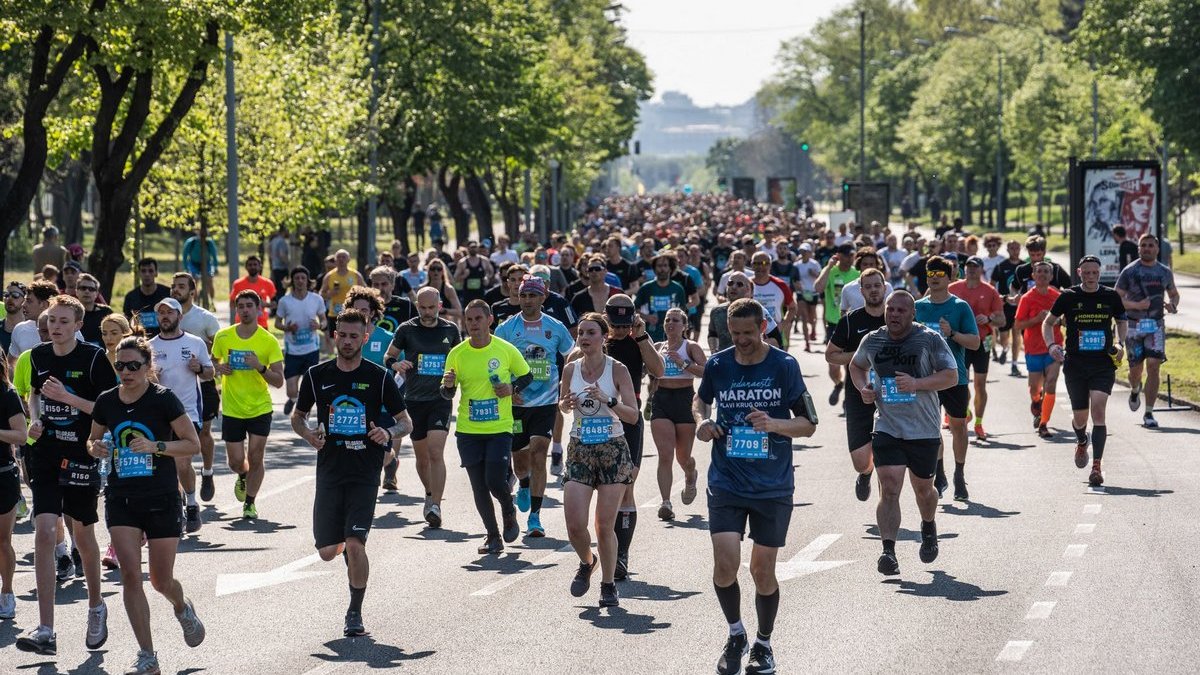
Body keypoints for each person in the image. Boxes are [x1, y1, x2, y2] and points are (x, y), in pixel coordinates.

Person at [693, 298, 817, 675]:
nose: (742, 340)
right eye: (735, 334)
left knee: (762, 572)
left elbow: (809, 423)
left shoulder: (784, 365)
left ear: (763, 327)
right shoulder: (719, 364)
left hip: (773, 485)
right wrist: (702, 421)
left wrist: (775, 424)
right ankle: (735, 634)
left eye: (749, 333)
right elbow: (700, 401)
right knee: (725, 566)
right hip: (726, 479)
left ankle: (763, 643)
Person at [291, 308, 412, 637]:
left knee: (356, 543)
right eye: (342, 335)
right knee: (329, 552)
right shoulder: (316, 375)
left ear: (365, 337)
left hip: (365, 469)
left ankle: (354, 613)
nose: (347, 341)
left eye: (353, 336)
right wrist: (308, 435)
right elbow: (297, 416)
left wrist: (387, 434)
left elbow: (405, 422)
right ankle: (345, 542)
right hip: (330, 468)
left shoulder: (379, 376)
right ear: (334, 336)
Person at [88, 335, 205, 673]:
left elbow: (191, 444)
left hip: (162, 497)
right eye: (120, 365)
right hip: (121, 497)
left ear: (148, 366)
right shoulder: (107, 401)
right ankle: (147, 655)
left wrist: (156, 447)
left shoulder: (163, 400)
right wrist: (96, 448)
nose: (126, 371)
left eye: (133, 366)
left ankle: (182, 607)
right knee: (129, 576)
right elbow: (92, 439)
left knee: (160, 580)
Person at [17, 295, 118, 656]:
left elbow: (108, 409)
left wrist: (69, 399)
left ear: (78, 325)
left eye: (63, 321)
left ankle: (96, 605)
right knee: (44, 533)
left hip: (81, 454)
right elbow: (33, 395)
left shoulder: (92, 359)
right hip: (45, 454)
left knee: (83, 536)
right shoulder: (39, 357)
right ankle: (46, 628)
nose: (55, 327)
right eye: (51, 321)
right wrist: (35, 419)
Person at [849, 290, 957, 577]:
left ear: (912, 314)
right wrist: (863, 388)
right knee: (890, 486)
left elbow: (951, 375)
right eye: (890, 309)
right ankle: (888, 551)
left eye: (900, 310)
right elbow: (856, 365)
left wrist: (917, 383)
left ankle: (928, 526)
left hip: (923, 428)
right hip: (888, 426)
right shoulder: (873, 340)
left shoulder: (928, 339)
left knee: (924, 490)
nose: (894, 314)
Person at [558, 312, 639, 607]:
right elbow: (563, 405)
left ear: (604, 337)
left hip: (612, 449)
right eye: (581, 333)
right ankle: (586, 561)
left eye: (591, 332)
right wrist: (565, 404)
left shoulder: (617, 370)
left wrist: (610, 400)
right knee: (575, 525)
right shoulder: (571, 369)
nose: (584, 338)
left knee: (605, 525)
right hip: (580, 447)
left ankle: (608, 585)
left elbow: (633, 415)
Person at [441, 301, 532, 554]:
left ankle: (508, 508)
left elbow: (526, 375)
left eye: (478, 319)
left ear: (489, 320)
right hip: (469, 430)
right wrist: (448, 385)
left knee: (494, 479)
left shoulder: (504, 349)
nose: (473, 324)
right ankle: (493, 536)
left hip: (499, 427)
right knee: (479, 486)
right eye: (469, 320)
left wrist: (511, 389)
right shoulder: (457, 353)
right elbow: (447, 393)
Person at [494, 276, 574, 537]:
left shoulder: (556, 327)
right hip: (516, 403)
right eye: (523, 295)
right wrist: (507, 389)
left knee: (540, 453)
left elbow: (571, 357)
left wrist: (567, 386)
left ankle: (536, 518)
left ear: (543, 297)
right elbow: (495, 362)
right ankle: (524, 484)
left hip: (545, 402)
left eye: (532, 295)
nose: (527, 300)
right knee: (520, 461)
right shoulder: (506, 328)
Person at [1043, 256, 1127, 486]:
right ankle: (1082, 440)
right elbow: (1048, 322)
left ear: (1100, 273)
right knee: (1080, 418)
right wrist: (1051, 345)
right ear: (1079, 273)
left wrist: (1120, 343)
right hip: (1076, 365)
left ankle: (1097, 467)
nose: (1091, 277)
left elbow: (1121, 321)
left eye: (1095, 273)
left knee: (1098, 412)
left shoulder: (1110, 296)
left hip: (1103, 364)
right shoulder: (1069, 296)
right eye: (1087, 273)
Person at [386, 288, 461, 526]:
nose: (427, 312)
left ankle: (436, 506)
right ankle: (430, 494)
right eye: (422, 308)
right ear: (417, 305)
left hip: (440, 399)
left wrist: (455, 378)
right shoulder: (406, 329)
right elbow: (388, 356)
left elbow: (461, 359)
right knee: (422, 458)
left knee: (436, 452)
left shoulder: (450, 329)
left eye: (431, 307)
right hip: (414, 400)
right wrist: (396, 364)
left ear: (439, 305)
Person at [211, 290, 284, 519]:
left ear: (258, 309)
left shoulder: (268, 340)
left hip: (259, 407)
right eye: (240, 306)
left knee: (255, 456)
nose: (244, 310)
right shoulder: (223, 337)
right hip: (232, 407)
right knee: (235, 461)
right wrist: (217, 369)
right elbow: (213, 362)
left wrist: (260, 367)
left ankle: (250, 504)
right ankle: (242, 475)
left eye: (249, 306)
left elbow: (279, 381)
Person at [915, 256, 980, 501]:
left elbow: (974, 342)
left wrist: (952, 333)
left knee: (959, 427)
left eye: (939, 274)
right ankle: (940, 472)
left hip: (955, 377)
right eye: (930, 273)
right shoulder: (918, 307)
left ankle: (959, 474)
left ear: (950, 278)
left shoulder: (960, 306)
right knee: (932, 428)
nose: (933, 278)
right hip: (926, 377)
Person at [149, 297, 214, 535]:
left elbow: (210, 373)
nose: (164, 316)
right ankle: (179, 505)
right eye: (161, 313)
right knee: (167, 465)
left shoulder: (195, 343)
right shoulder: (150, 346)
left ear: (180, 316)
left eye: (169, 312)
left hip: (188, 412)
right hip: (159, 414)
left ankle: (191, 502)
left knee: (182, 462)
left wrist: (200, 369)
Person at [825, 269, 887, 501]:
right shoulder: (850, 322)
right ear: (861, 291)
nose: (873, 290)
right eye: (868, 287)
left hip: (891, 395)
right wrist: (861, 356)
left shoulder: (897, 317)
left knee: (886, 456)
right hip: (859, 392)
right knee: (861, 461)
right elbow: (831, 355)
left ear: (885, 287)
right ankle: (866, 473)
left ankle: (886, 505)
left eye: (877, 285)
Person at [1116, 234, 1180, 429]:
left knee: (1154, 365)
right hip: (1134, 325)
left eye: (1150, 245)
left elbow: (1174, 293)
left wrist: (1173, 305)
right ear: (1138, 249)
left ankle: (1149, 413)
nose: (1146, 248)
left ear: (1157, 249)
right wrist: (1137, 304)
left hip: (1156, 326)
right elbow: (1117, 298)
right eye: (1143, 245)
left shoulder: (1164, 272)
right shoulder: (1130, 271)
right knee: (1136, 371)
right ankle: (1135, 389)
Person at [650, 308, 707, 521]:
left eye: (675, 320)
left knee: (683, 457)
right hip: (662, 400)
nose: (670, 323)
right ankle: (666, 502)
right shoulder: (657, 347)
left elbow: (707, 371)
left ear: (684, 326)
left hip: (684, 400)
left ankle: (690, 475)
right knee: (665, 454)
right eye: (667, 320)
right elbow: (649, 372)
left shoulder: (690, 347)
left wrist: (683, 363)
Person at [172, 272, 221, 502]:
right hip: (175, 386)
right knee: (178, 439)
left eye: (181, 286)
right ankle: (183, 487)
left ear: (192, 291)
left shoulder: (205, 318)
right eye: (174, 286)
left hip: (203, 384)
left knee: (203, 433)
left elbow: (218, 352)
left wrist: (197, 351)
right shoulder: (166, 315)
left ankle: (208, 472)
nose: (176, 290)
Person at [948, 256, 1004, 440]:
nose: (971, 270)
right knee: (961, 382)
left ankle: (979, 423)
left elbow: (1002, 320)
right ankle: (965, 410)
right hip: (960, 342)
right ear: (965, 269)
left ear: (982, 270)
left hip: (982, 341)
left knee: (980, 384)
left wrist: (988, 319)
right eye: (969, 267)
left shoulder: (990, 291)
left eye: (975, 267)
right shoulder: (954, 288)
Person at [1014, 261, 1063, 438]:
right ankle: (1037, 401)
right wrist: (1036, 319)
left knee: (1051, 382)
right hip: (1033, 348)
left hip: (1054, 346)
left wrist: (1058, 321)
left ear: (1051, 276)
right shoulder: (1027, 298)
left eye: (1046, 272)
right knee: (1034, 388)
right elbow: (1018, 324)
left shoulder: (1057, 296)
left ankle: (1044, 422)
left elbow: (1065, 320)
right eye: (1039, 272)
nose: (1042, 275)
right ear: (1033, 276)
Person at [276, 266, 326, 416]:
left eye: (303, 278)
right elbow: (277, 323)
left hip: (311, 349)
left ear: (308, 281)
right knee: (291, 389)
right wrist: (288, 328)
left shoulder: (316, 299)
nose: (300, 281)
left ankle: (303, 413)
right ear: (292, 281)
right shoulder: (285, 301)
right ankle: (292, 399)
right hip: (292, 349)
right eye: (296, 278)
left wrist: (319, 325)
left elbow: (324, 321)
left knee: (309, 385)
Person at [0, 358, 28, 622]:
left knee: (1, 541)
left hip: (2, 475)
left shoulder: (6, 394)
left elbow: (21, 435)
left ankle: (7, 592)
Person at [815, 244, 859, 405]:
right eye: (847, 255)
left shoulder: (857, 273)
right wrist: (828, 267)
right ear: (839, 255)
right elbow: (818, 287)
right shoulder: (831, 272)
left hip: (852, 324)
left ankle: (848, 397)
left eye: (852, 255)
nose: (850, 258)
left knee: (850, 363)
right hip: (834, 323)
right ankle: (838, 384)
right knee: (833, 367)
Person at [633, 254, 688, 343]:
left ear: (670, 268)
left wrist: (684, 334)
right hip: (650, 335)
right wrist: (647, 317)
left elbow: (683, 313)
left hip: (672, 336)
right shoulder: (646, 288)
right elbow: (634, 309)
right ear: (654, 269)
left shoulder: (678, 288)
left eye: (665, 266)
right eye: (659, 266)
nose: (662, 269)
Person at [990, 239, 1025, 367]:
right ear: (1007, 249)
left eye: (1017, 248)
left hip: (1020, 306)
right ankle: (1005, 349)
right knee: (1003, 337)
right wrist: (998, 300)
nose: (1015, 251)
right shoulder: (1001, 266)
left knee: (1016, 334)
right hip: (1004, 306)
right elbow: (992, 286)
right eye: (1012, 248)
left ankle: (1014, 364)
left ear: (1020, 249)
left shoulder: (1024, 267)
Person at [319, 249, 365, 338]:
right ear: (335, 260)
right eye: (338, 257)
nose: (341, 259)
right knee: (336, 339)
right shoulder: (329, 276)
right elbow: (321, 294)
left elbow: (365, 291)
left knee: (352, 337)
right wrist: (330, 294)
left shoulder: (355, 275)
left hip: (353, 312)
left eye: (343, 257)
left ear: (348, 259)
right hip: (335, 313)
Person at [122, 258, 171, 338]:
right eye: (143, 271)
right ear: (139, 273)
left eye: (151, 271)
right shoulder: (130, 297)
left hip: (165, 339)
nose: (147, 274)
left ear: (156, 273)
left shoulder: (167, 294)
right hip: (139, 342)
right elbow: (126, 324)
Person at [230, 256, 276, 329]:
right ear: (246, 267)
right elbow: (232, 303)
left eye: (255, 264)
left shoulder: (268, 283)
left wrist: (265, 304)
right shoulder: (238, 283)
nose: (252, 267)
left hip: (261, 323)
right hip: (242, 323)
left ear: (260, 266)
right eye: (250, 265)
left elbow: (275, 304)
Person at [76, 274, 112, 346]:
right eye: (83, 288)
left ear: (97, 294)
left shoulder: (106, 312)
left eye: (91, 289)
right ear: (76, 291)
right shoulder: (71, 312)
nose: (87, 291)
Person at [424, 259, 462, 325]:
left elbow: (459, 311)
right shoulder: (423, 289)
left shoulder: (448, 289)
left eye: (439, 269)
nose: (436, 271)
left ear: (443, 271)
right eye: (433, 269)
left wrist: (444, 310)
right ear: (429, 271)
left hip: (444, 325)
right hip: (427, 325)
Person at [1, 282, 27, 355]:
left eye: (15, 295)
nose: (9, 298)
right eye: (6, 294)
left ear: (25, 300)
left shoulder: (30, 329)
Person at [268, 228, 291, 306]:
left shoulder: (273, 241)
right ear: (284, 231)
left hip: (275, 268)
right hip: (282, 268)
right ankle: (280, 306)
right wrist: (288, 265)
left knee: (276, 289)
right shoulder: (282, 241)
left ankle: (275, 306)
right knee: (281, 289)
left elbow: (270, 254)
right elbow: (282, 255)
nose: (289, 233)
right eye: (288, 230)